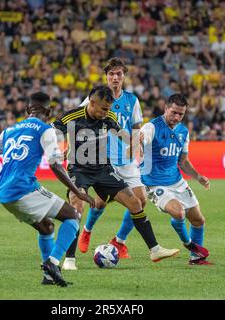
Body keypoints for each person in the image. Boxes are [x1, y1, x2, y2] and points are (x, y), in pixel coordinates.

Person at [0, 92, 94, 287]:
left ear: (27, 109)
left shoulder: (9, 130)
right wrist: (78, 191)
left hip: (4, 194)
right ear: (49, 111)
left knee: (46, 227)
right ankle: (52, 263)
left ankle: (48, 277)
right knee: (73, 216)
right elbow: (55, 165)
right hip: (24, 189)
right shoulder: (46, 130)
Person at [52, 85, 179, 270]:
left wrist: (135, 142)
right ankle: (69, 259)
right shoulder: (72, 116)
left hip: (103, 169)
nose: (107, 112)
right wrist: (58, 147)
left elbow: (122, 135)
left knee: (135, 203)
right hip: (78, 170)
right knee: (76, 207)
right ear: (92, 103)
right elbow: (51, 132)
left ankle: (155, 249)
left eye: (109, 109)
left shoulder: (109, 117)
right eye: (103, 108)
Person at [66, 57, 145, 270]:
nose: (115, 77)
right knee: (99, 203)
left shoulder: (132, 100)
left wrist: (136, 146)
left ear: (124, 76)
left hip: (126, 159)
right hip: (101, 159)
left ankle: (119, 242)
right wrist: (71, 145)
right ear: (107, 77)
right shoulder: (95, 98)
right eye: (111, 74)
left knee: (140, 200)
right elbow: (77, 120)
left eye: (119, 74)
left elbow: (137, 126)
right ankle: (87, 231)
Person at [140, 94, 212, 265]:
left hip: (177, 182)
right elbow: (143, 137)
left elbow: (183, 161)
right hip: (155, 183)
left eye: (181, 114)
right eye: (174, 113)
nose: (177, 117)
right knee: (178, 212)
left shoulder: (183, 131)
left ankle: (196, 258)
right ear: (165, 108)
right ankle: (189, 245)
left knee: (198, 220)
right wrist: (140, 141)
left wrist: (198, 177)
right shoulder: (152, 127)